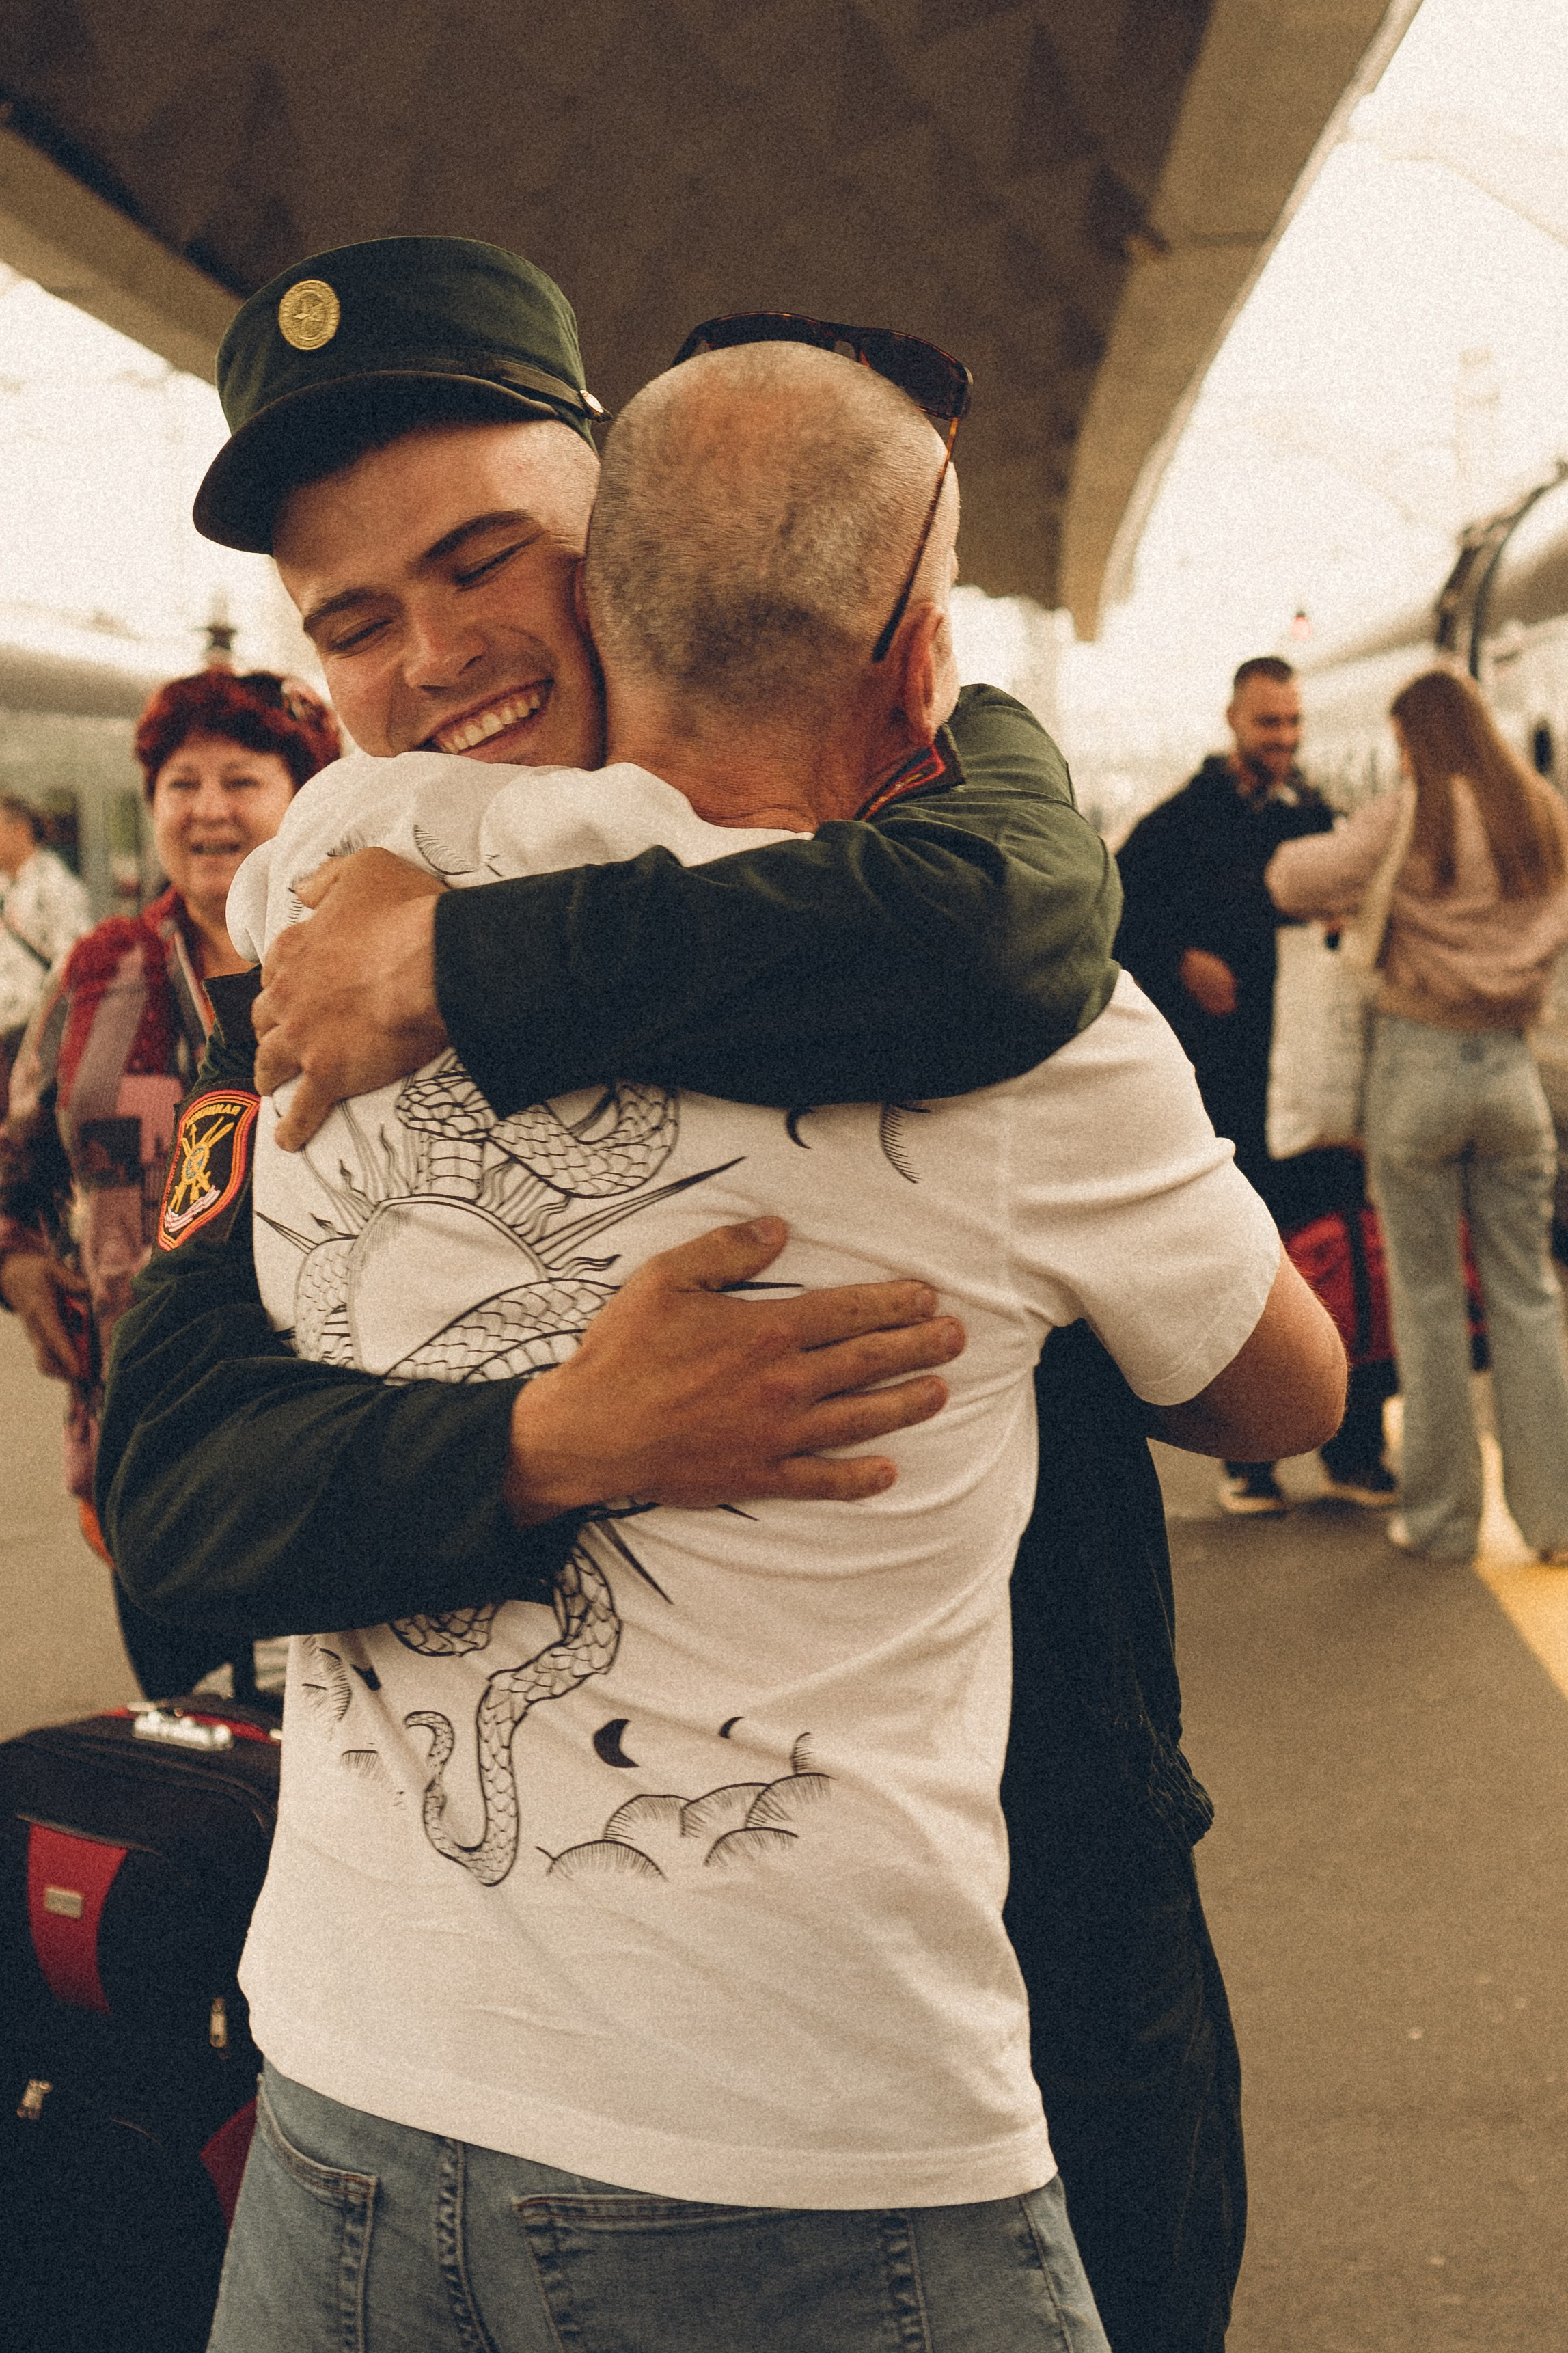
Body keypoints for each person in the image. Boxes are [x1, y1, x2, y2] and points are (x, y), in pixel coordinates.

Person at [99, 241, 1229, 2350]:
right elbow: (172, 1509)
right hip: (449, 2093)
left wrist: (474, 967)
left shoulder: (909, 875)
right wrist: (546, 1441)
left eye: (483, 561)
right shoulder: (322, 961)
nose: (438, 657)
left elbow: (994, 910)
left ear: (623, 527)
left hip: (1000, 1970)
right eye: (356, 621)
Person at [0, 668, 339, 1698]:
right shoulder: (99, 968)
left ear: (305, 796)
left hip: (333, 1429)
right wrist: (17, 1259)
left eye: (242, 779)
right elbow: (17, 1150)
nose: (207, 809)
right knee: (188, 1721)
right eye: (180, 783)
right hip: (145, 1430)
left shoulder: (355, 960)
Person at [1268, 666, 1568, 1565]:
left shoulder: (1407, 816)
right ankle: (1556, 1520)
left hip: (1418, 1071)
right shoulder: (1540, 815)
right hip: (1510, 1072)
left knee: (1429, 1300)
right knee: (1528, 1295)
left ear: (1416, 740)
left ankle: (1440, 1521)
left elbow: (1289, 879)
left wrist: (1369, 887)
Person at [1116, 655, 1396, 1519]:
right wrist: (1180, 961)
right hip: (1228, 1086)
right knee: (1247, 1271)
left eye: (1293, 722)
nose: (1284, 737)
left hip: (1313, 1082)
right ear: (1235, 719)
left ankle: (1356, 1446)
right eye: (1269, 721)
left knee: (1341, 1249)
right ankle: (1252, 1460)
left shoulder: (1318, 817)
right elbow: (1114, 924)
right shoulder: (1177, 824)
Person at [0, 791, 90, 1113]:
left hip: (34, 1035)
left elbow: (72, 959)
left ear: (19, 830)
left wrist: (44, 1032)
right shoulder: (6, 886)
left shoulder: (55, 884)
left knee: (30, 1123)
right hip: (6, 1032)